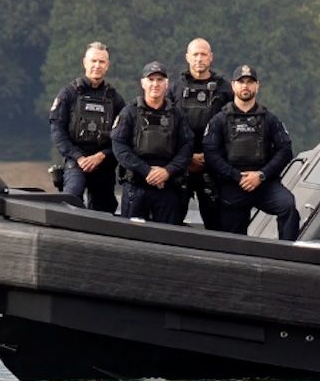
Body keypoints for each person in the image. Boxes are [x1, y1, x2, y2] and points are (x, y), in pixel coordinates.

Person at [203, 64, 300, 240]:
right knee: (232, 239)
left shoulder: (270, 119)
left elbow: (285, 150)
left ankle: (288, 256)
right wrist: (236, 176)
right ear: (233, 86)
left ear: (257, 86)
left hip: (265, 184)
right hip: (232, 185)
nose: (245, 86)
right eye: (241, 82)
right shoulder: (219, 120)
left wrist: (261, 175)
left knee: (288, 206)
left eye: (250, 82)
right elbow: (211, 154)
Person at [110, 61, 195, 224]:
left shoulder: (177, 115)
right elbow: (119, 146)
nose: (155, 84)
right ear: (143, 83)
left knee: (166, 241)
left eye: (160, 80)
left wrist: (167, 171)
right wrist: (147, 171)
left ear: (166, 84)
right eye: (151, 80)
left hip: (167, 187)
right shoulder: (130, 112)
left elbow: (187, 147)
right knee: (132, 239)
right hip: (136, 186)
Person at [49, 41, 127, 212]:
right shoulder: (68, 94)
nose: (97, 66)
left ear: (107, 65)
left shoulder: (115, 99)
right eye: (93, 61)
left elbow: (123, 137)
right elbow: (57, 130)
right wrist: (79, 157)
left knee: (105, 208)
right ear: (85, 62)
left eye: (101, 62)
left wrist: (102, 156)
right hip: (77, 161)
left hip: (104, 164)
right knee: (71, 199)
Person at [169, 37, 230, 229]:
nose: (199, 59)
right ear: (187, 57)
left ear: (211, 57)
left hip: (213, 166)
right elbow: (165, 129)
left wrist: (211, 157)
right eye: (195, 54)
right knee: (171, 223)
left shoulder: (225, 89)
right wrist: (186, 158)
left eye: (203, 54)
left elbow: (233, 129)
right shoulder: (174, 88)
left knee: (217, 226)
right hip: (180, 165)